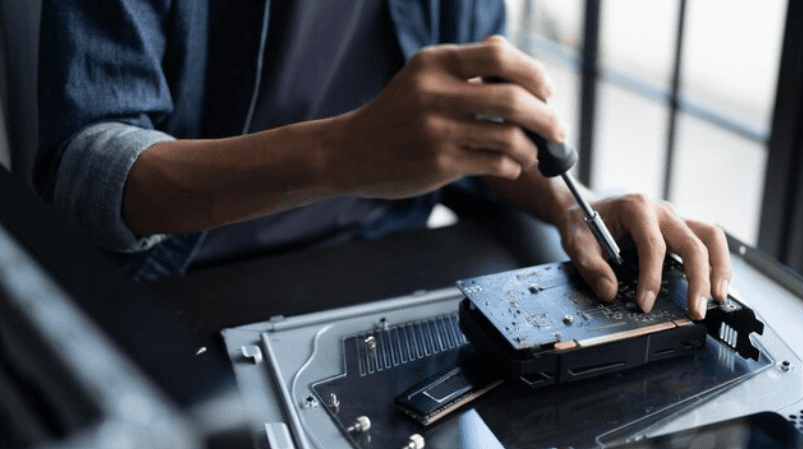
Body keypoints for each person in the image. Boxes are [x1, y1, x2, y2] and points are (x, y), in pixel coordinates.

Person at [35, 0, 730, 320]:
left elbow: (480, 124)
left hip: (385, 274)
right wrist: (341, 153)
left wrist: (574, 210)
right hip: (184, 294)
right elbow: (87, 172)